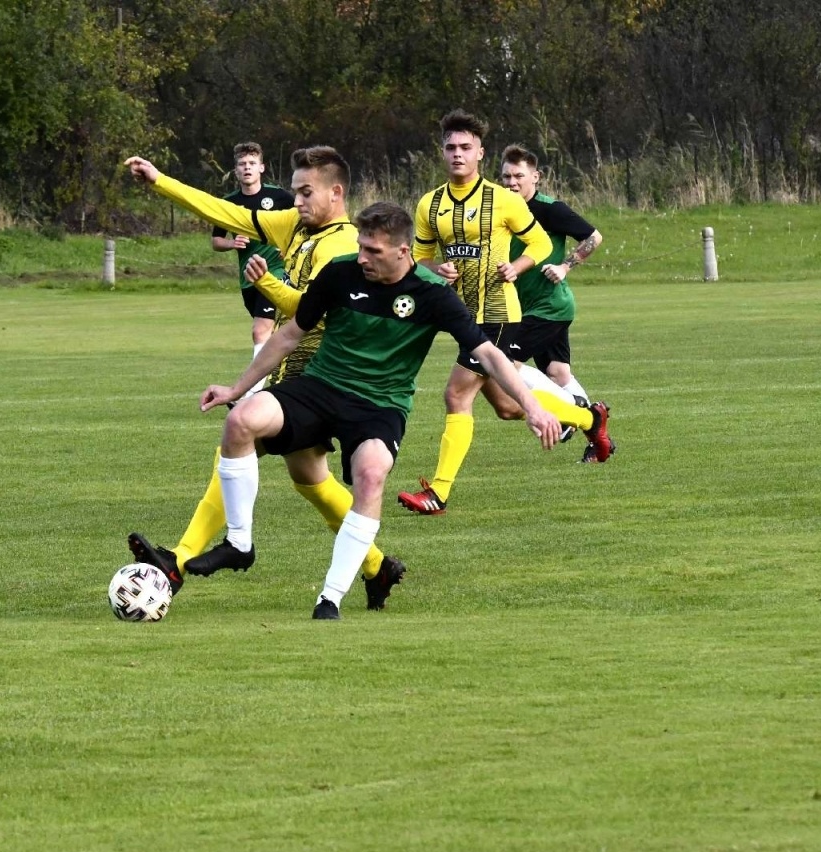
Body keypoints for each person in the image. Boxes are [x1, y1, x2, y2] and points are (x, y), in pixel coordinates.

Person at [190, 201, 560, 620]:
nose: (362, 257)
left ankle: (329, 597)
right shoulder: (340, 273)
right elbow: (290, 335)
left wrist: (532, 407)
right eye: (362, 246)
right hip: (321, 386)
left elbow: (488, 355)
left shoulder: (432, 294)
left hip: (380, 406)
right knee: (241, 421)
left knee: (370, 474)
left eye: (374, 251)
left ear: (403, 252)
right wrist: (237, 388)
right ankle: (239, 544)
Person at [121, 148, 407, 610]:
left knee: (241, 439)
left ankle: (178, 562)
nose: (295, 200)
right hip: (296, 368)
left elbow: (311, 313)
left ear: (336, 193)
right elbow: (225, 211)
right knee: (308, 477)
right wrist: (160, 180)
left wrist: (268, 286)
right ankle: (376, 568)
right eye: (294, 190)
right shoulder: (293, 225)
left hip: (322, 374)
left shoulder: (343, 245)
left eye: (305, 192)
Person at [396, 110, 612, 516]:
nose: (457, 154)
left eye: (465, 147)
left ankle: (438, 492)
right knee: (509, 405)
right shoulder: (430, 204)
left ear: (479, 152)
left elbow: (539, 245)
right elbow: (419, 257)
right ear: (442, 152)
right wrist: (435, 268)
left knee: (456, 393)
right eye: (450, 147)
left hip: (498, 312)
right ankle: (587, 418)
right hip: (462, 315)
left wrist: (518, 267)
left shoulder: (505, 200)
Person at [498, 144, 611, 461]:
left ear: (536, 176)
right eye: (506, 176)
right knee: (559, 374)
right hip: (528, 306)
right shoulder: (501, 211)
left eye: (519, 175)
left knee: (506, 364)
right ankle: (597, 436)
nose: (511, 182)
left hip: (549, 307)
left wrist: (565, 266)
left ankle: (573, 413)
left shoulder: (549, 209)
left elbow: (594, 237)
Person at [212, 142, 297, 359]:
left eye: (252, 163)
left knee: (260, 330)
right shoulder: (229, 203)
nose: (247, 167)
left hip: (275, 272)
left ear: (262, 167)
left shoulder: (280, 197)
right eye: (242, 164)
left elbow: (302, 223)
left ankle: (253, 389)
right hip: (248, 277)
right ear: (236, 170)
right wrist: (232, 244)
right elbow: (216, 240)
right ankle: (285, 377)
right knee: (273, 332)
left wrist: (289, 246)